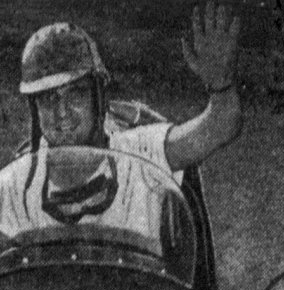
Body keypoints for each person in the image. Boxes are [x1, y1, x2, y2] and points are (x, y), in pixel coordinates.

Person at [20, 3, 243, 178]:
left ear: (98, 97)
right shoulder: (21, 177)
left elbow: (221, 126)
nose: (62, 112)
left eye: (76, 94)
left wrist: (221, 84)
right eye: (47, 99)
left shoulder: (137, 153)